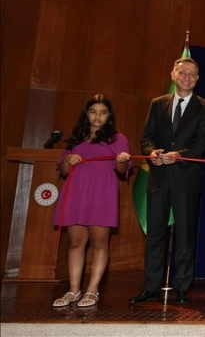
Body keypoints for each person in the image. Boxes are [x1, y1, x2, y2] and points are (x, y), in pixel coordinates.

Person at [130, 57, 205, 304]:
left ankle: (181, 287)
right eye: (182, 72)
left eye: (192, 74)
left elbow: (202, 142)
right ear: (173, 75)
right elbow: (147, 137)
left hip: (186, 178)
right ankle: (151, 287)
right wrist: (152, 152)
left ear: (197, 79)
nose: (187, 77)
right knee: (155, 234)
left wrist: (180, 156)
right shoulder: (157, 104)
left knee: (185, 236)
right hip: (158, 177)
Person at [52, 94, 131, 308]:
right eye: (93, 111)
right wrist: (68, 159)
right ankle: (73, 290)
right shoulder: (76, 138)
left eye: (103, 112)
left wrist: (121, 160)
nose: (98, 116)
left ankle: (93, 289)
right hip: (76, 191)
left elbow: (122, 172)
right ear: (86, 114)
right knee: (76, 242)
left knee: (99, 242)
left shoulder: (117, 138)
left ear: (109, 116)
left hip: (102, 193)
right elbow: (65, 172)